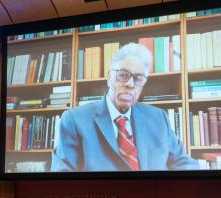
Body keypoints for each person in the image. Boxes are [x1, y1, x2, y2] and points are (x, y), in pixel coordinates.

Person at [51, 42, 198, 172]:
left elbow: (184, 164)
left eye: (138, 78)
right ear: (109, 78)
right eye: (123, 75)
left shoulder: (159, 118)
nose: (130, 84)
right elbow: (62, 176)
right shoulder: (74, 120)